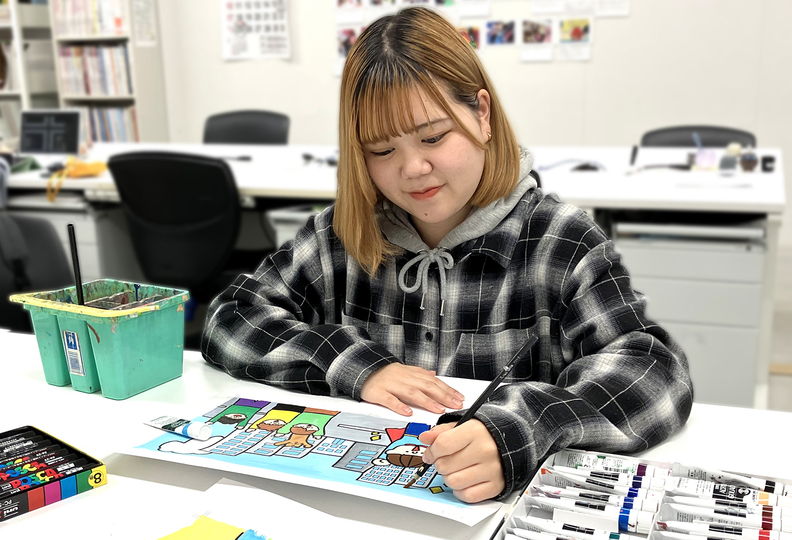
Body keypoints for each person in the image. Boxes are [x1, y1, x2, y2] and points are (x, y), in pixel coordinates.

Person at [201, 6, 693, 504]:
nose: (414, 168)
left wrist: (521, 427)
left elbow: (655, 374)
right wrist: (354, 365)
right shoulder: (342, 235)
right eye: (381, 150)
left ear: (482, 115)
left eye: (434, 137)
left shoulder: (558, 241)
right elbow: (232, 318)